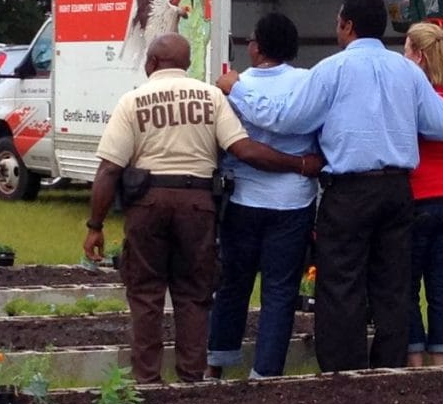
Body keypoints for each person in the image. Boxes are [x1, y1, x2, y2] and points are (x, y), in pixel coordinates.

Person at [217, 0, 443, 371]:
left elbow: (286, 119)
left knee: (341, 282)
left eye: (339, 21)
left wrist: (236, 88)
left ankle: (345, 369)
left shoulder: (331, 69)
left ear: (348, 25)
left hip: (349, 190)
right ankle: (389, 367)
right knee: (392, 283)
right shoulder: (406, 71)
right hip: (398, 190)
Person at [83, 33, 322, 384]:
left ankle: (147, 380)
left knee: (146, 294)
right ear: (186, 64)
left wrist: (95, 225)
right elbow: (245, 151)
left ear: (150, 64)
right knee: (193, 295)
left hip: (147, 204)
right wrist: (299, 164)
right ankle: (192, 378)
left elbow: (108, 170)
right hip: (197, 206)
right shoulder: (211, 97)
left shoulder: (132, 101)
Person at [206, 13, 319, 380]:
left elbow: (221, 144)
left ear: (256, 47)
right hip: (294, 202)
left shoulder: (231, 87)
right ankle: (266, 372)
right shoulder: (307, 82)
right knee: (280, 292)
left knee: (233, 285)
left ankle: (217, 363)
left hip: (243, 199)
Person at [402, 22, 443, 367]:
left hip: (417, 195)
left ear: (420, 55)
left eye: (406, 50)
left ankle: (414, 359)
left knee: (408, 285)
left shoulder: (415, 97)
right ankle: (442, 360)